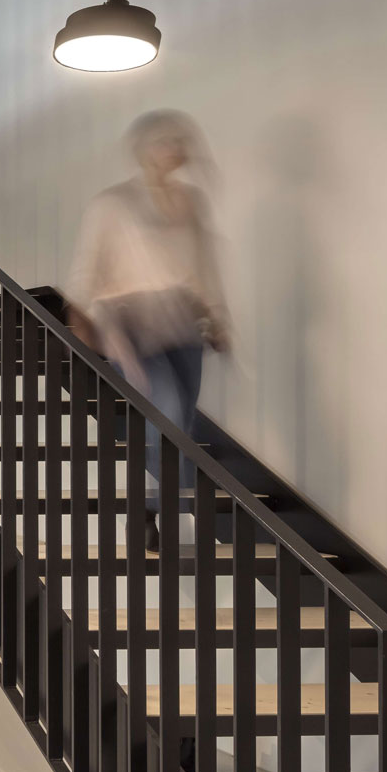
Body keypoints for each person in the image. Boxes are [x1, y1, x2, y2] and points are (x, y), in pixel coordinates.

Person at [68, 110, 230, 552]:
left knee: (183, 423)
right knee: (170, 412)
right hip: (130, 323)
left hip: (182, 320)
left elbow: (204, 265)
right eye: (165, 142)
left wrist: (217, 316)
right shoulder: (113, 202)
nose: (175, 150)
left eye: (180, 142)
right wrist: (81, 317)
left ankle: (151, 506)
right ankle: (152, 509)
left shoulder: (192, 200)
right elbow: (88, 264)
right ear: (145, 149)